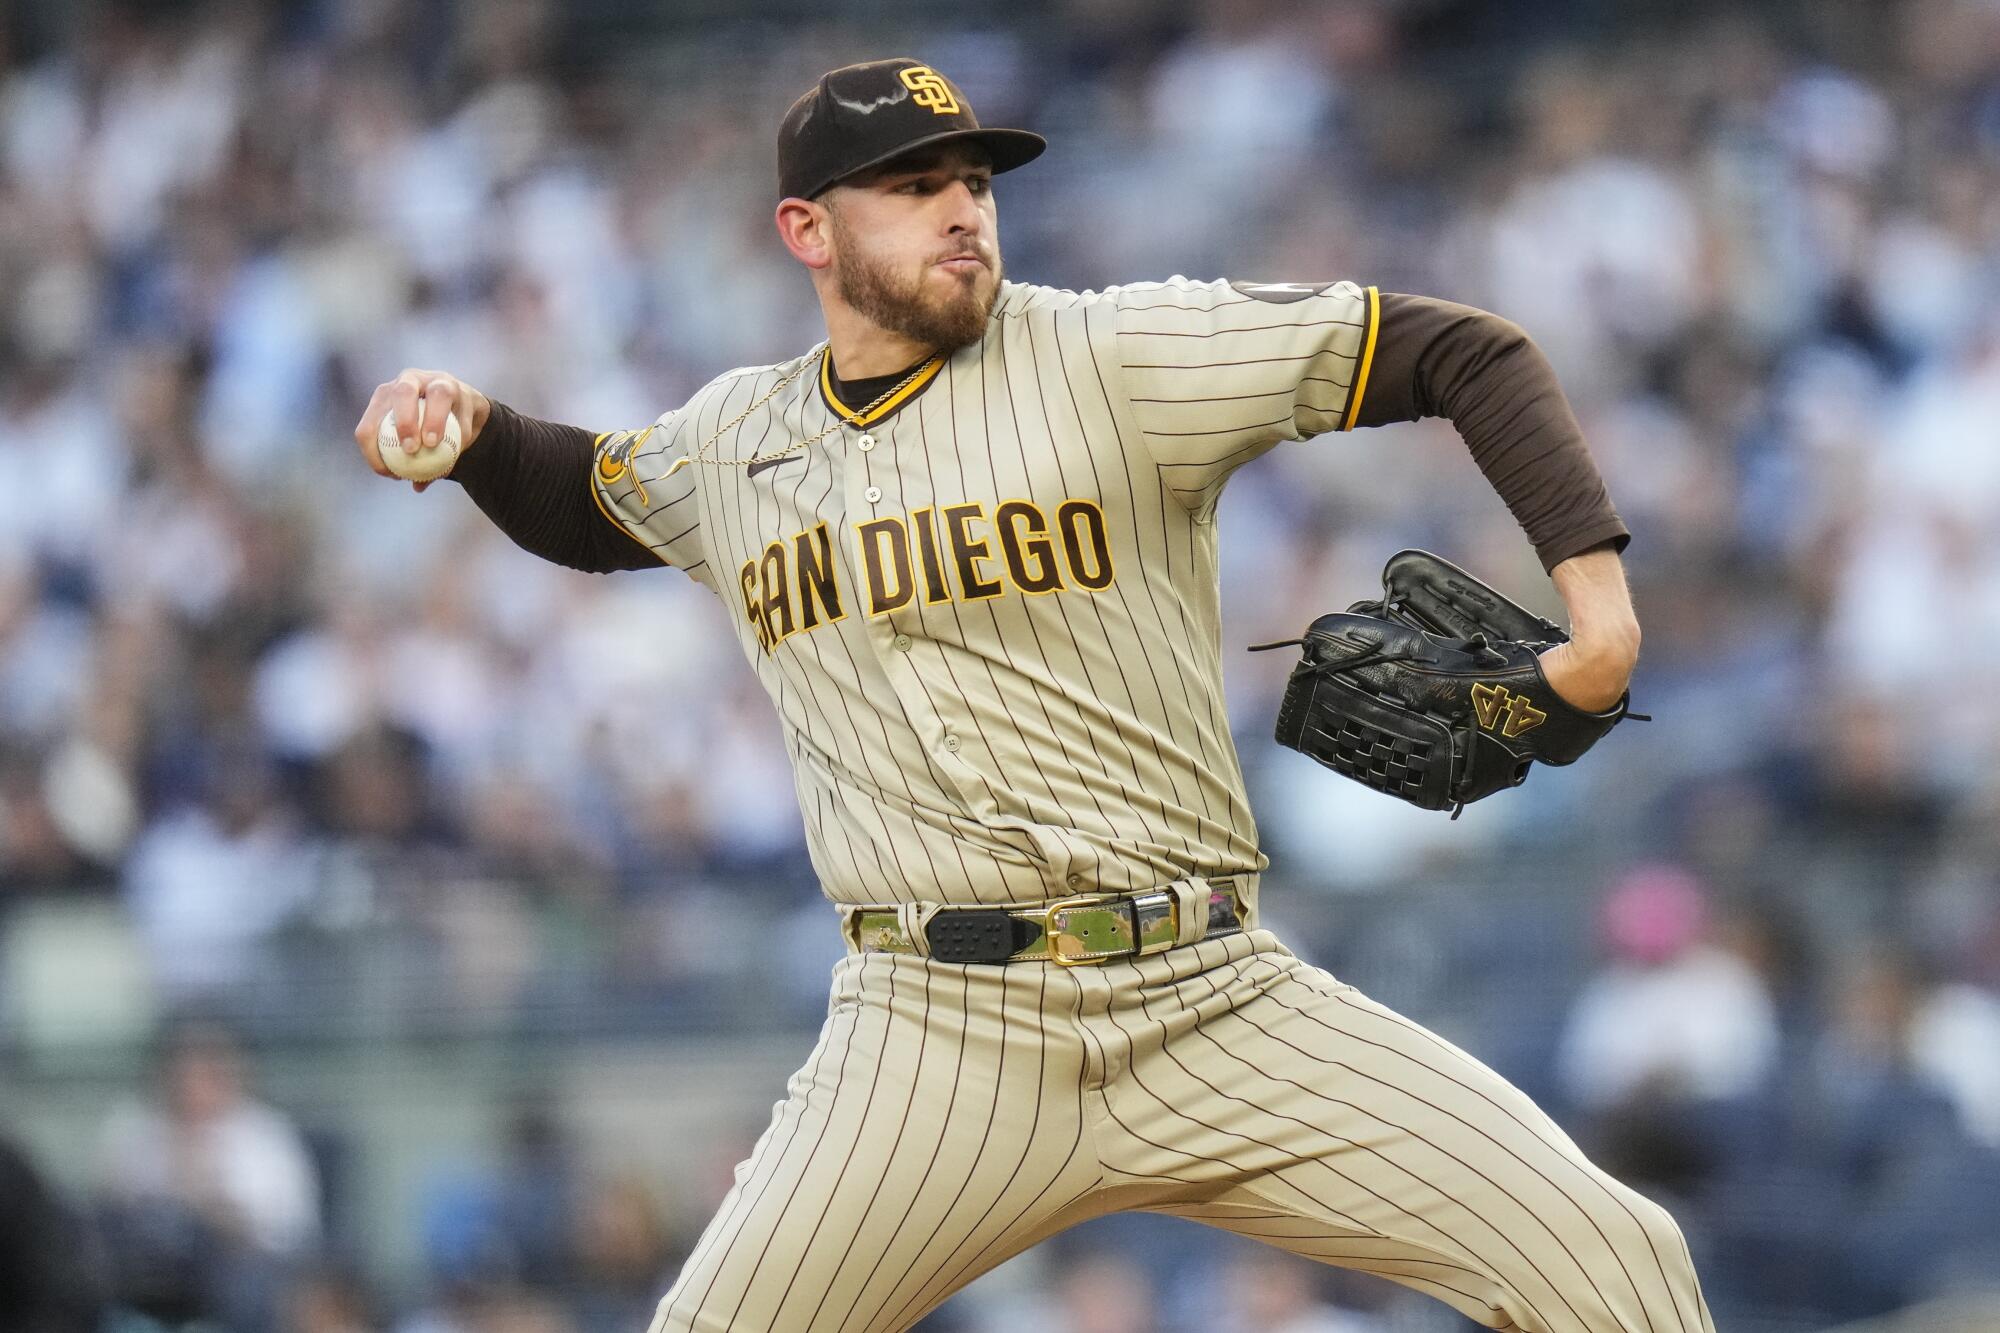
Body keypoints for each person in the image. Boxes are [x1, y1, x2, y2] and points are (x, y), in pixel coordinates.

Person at [354, 58, 1707, 1333]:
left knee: (1617, 1261)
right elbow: (590, 498)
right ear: (806, 231)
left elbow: (1464, 351)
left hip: (1211, 996)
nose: (961, 212)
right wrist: (472, 435)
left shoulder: (1118, 353)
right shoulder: (733, 440)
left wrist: (1600, 616)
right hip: (936, 1034)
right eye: (914, 185)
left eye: (977, 183)